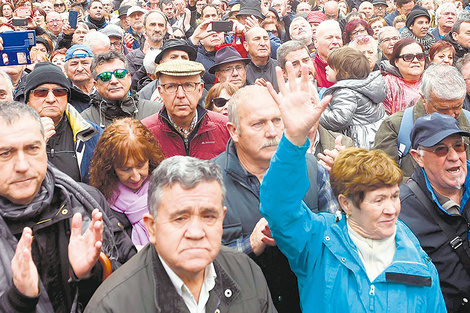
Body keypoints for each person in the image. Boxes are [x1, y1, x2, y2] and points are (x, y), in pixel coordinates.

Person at [258, 60, 447, 312]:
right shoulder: (317, 242)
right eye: (378, 200)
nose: (392, 209)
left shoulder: (416, 257)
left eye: (394, 196)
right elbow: (279, 206)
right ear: (346, 203)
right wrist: (294, 139)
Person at [84, 156, 277, 312]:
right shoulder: (113, 305)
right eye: (180, 218)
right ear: (151, 227)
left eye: (208, 216)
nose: (195, 232)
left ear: (222, 217)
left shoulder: (247, 272)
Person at [212, 84, 338, 313]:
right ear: (233, 131)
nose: (271, 132)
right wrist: (250, 245)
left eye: (277, 121)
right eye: (258, 124)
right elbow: (201, 260)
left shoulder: (313, 169)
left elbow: (336, 241)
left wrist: (298, 230)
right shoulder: (209, 181)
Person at [0, 101, 135, 313]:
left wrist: (90, 274)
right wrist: (19, 300)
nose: (22, 166)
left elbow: (129, 281)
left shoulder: (87, 202)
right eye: (5, 153)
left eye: (32, 148)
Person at [399, 113, 470, 313]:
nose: (454, 156)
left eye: (459, 146)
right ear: (417, 157)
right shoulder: (401, 212)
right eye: (441, 149)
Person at [374, 64, 470, 180]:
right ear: (424, 99)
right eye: (442, 109)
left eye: (457, 107)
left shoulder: (468, 121)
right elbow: (383, 177)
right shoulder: (395, 126)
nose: (450, 115)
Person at [89, 117, 164, 248]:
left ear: (150, 160)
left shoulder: (166, 188)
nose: (135, 177)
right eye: (125, 169)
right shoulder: (102, 203)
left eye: (141, 165)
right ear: (110, 168)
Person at [23, 62, 101, 183]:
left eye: (59, 92)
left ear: (67, 97)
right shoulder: (11, 136)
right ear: (28, 100)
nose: (51, 99)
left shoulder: (91, 134)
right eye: (41, 92)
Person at [142, 60, 230, 160]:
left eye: (188, 85)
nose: (180, 95)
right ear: (160, 92)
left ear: (200, 90)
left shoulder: (225, 128)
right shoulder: (145, 133)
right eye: (171, 86)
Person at [321, 47, 386, 149]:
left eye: (331, 66)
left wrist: (317, 113)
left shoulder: (345, 92)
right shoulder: (364, 86)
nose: (326, 68)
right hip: (376, 135)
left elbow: (339, 119)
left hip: (361, 141)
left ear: (345, 73)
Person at [81, 50, 161, 128]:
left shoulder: (156, 111)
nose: (114, 81)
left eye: (120, 74)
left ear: (129, 78)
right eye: (105, 76)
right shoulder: (85, 121)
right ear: (96, 85)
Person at [138, 38, 198, 102]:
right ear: (162, 63)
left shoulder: (198, 88)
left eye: (184, 57)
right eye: (174, 57)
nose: (180, 61)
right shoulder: (146, 94)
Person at [380, 38, 426, 115]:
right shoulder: (386, 84)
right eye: (408, 57)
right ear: (396, 62)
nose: (415, 60)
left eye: (420, 56)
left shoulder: (432, 81)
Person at [244, 27, 279, 92]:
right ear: (246, 46)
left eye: (266, 39)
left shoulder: (280, 67)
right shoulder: (241, 72)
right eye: (257, 39)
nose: (263, 43)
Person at [64, 44, 95, 112]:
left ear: (94, 66)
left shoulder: (104, 87)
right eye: (74, 64)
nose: (80, 69)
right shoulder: (63, 93)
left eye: (85, 63)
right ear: (66, 69)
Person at [313, 20, 343, 88]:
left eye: (338, 38)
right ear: (316, 42)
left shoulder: (350, 66)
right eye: (329, 38)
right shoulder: (311, 69)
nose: (335, 42)